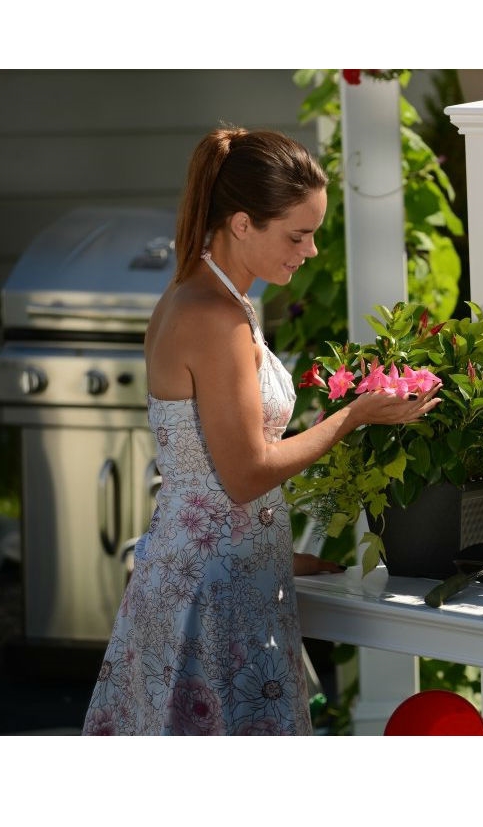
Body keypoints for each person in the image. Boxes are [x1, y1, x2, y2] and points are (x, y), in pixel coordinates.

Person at [81, 127, 439, 736]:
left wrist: (270, 551)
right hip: (209, 594)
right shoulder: (212, 316)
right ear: (242, 223)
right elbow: (245, 474)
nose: (312, 250)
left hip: (215, 570)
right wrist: (354, 416)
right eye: (298, 234)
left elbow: (206, 475)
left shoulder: (213, 299)